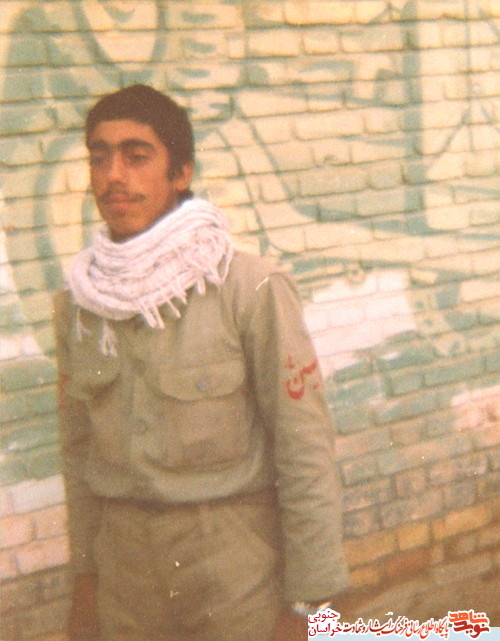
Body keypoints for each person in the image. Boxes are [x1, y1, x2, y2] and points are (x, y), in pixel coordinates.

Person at [55, 84, 352, 641]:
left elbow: (305, 451)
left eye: (136, 156)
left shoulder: (249, 287)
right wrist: (85, 583)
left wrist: (310, 605)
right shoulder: (81, 304)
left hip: (233, 566)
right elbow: (78, 454)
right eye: (99, 156)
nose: (113, 175)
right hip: (125, 574)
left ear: (181, 173)